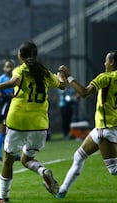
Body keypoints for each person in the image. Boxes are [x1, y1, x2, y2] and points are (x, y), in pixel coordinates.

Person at [0, 41, 67, 203]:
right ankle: (43, 172)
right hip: (40, 125)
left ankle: (3, 197)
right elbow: (62, 85)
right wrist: (62, 73)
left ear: (20, 56)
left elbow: (13, 82)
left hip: (18, 122)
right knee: (26, 159)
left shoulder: (20, 70)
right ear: (35, 55)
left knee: (8, 160)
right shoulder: (44, 72)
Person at [55, 51, 117, 199]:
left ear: (112, 62)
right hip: (104, 128)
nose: (104, 63)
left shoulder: (105, 77)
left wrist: (69, 76)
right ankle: (62, 191)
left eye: (106, 61)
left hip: (105, 129)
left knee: (114, 169)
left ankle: (62, 191)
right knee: (78, 156)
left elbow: (84, 93)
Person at [0, 59, 15, 162]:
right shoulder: (1, 80)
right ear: (3, 68)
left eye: (11, 66)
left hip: (16, 106)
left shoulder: (17, 78)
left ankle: (14, 153)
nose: (9, 68)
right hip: (5, 106)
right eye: (7, 66)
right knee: (2, 130)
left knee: (14, 131)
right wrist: (5, 95)